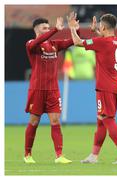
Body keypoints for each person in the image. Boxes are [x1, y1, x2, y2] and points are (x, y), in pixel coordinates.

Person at [67, 12, 117, 164]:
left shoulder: (101, 42)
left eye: (100, 27)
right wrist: (96, 32)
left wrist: (72, 28)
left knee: (107, 119)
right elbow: (105, 42)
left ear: (103, 27)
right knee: (101, 121)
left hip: (105, 87)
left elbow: (77, 42)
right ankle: (94, 155)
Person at [24, 16, 77, 164]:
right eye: (44, 28)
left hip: (53, 90)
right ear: (36, 30)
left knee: (55, 121)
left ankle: (59, 156)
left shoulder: (54, 44)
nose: (47, 30)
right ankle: (27, 154)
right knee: (34, 121)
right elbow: (38, 41)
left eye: (48, 28)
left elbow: (71, 41)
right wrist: (55, 29)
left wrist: (74, 28)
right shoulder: (31, 44)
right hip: (37, 89)